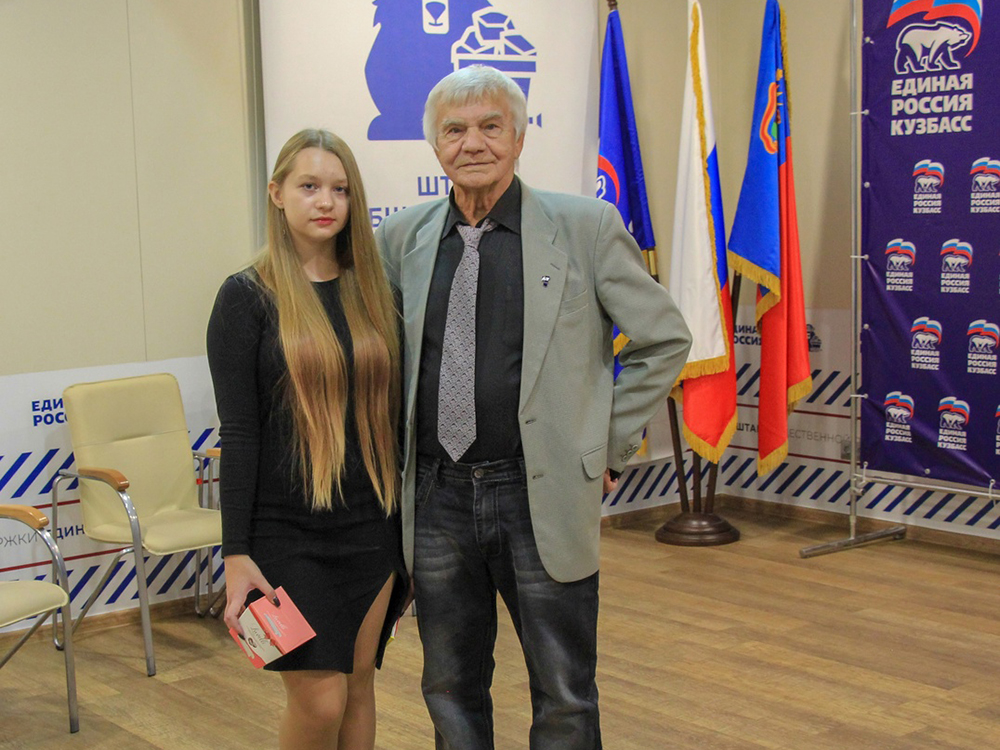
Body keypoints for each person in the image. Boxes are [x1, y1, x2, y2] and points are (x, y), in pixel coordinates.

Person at [375, 66, 692, 749]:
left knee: (564, 693)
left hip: (538, 492)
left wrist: (605, 446)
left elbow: (664, 339)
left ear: (519, 139)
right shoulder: (400, 240)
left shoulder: (584, 228)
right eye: (454, 130)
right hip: (435, 496)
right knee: (449, 687)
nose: (473, 143)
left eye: (491, 126)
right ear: (435, 146)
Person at [207, 129, 407, 750]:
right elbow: (239, 433)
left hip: (372, 527)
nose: (326, 202)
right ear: (277, 194)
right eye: (309, 186)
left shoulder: (377, 291)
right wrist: (235, 553)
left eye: (340, 189)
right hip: (285, 536)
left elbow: (396, 416)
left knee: (359, 687)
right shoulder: (245, 298)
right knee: (320, 703)